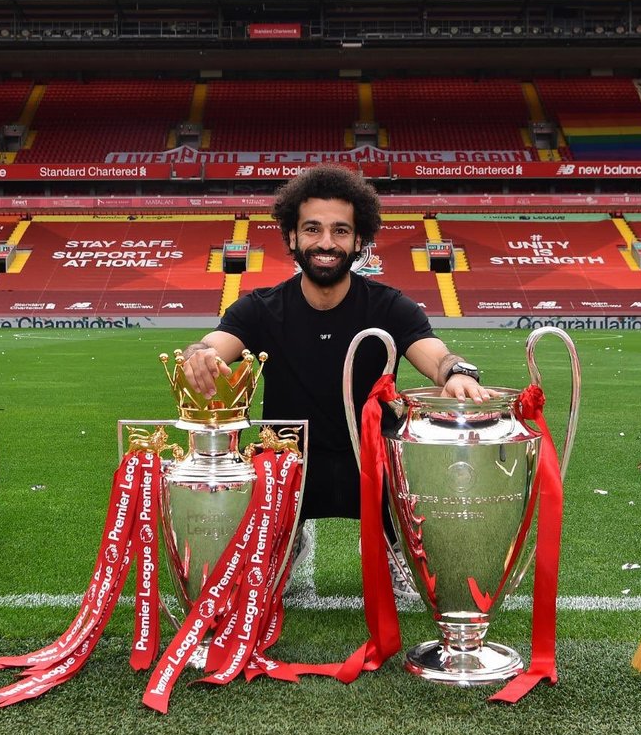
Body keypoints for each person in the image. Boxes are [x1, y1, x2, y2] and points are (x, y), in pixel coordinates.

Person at [181, 164, 495, 530]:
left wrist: (457, 373)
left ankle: (395, 545)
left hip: (373, 461)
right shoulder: (260, 308)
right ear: (292, 237)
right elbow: (211, 345)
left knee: (408, 525)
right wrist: (198, 357)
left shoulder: (390, 306)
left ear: (359, 240)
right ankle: (285, 540)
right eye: (312, 229)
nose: (327, 243)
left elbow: (437, 355)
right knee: (260, 550)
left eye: (340, 231)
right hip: (287, 464)